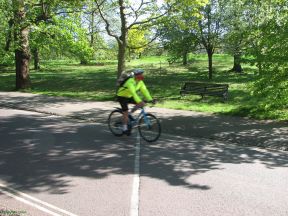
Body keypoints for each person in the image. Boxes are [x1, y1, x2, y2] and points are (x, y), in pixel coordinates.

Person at [116, 68, 155, 135]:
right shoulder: (130, 82)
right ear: (136, 75)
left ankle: (130, 114)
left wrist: (150, 99)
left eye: (142, 74)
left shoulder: (140, 82)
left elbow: (145, 91)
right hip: (122, 96)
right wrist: (139, 101)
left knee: (142, 104)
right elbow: (134, 93)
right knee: (125, 112)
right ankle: (124, 128)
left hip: (129, 96)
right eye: (140, 74)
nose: (142, 76)